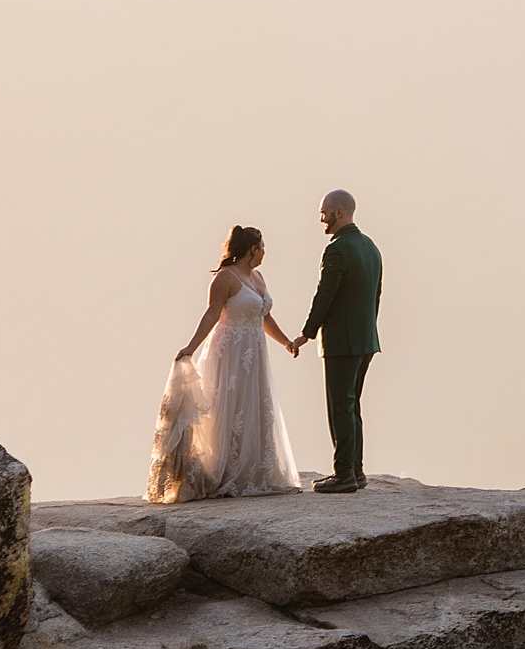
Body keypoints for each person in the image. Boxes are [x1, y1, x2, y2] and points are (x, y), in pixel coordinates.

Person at [147, 225, 305, 503]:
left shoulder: (257, 277)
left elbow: (264, 317)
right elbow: (211, 315)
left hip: (254, 350)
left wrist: (286, 342)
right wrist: (190, 348)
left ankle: (251, 470)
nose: (265, 251)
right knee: (228, 407)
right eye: (262, 246)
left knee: (254, 406)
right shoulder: (225, 278)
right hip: (230, 351)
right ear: (252, 249)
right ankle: (225, 470)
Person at [297, 189, 383, 494]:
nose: (322, 218)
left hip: (341, 341)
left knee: (339, 407)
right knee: (352, 404)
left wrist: (307, 332)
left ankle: (344, 472)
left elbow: (325, 296)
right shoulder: (370, 247)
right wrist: (368, 329)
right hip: (366, 339)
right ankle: (356, 470)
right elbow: (376, 297)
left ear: (340, 213)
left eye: (325, 212)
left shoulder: (337, 250)